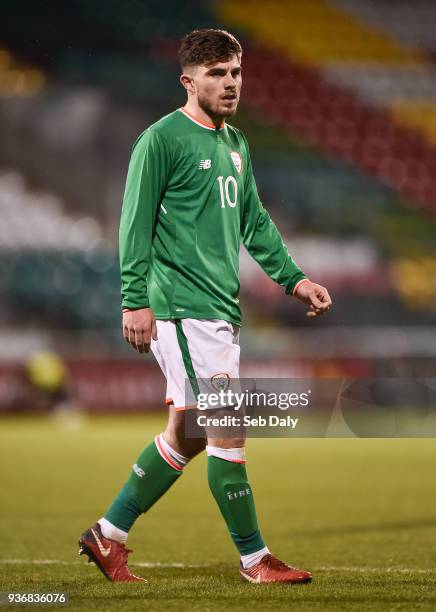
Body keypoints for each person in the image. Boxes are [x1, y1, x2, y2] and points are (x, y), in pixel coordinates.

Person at [79, 28, 331, 584]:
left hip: (217, 310)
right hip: (183, 311)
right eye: (218, 73)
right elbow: (133, 225)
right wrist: (134, 301)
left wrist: (294, 279)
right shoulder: (161, 140)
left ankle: (108, 534)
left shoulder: (236, 144)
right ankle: (254, 560)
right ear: (188, 80)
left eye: (236, 72)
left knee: (188, 433)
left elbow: (254, 222)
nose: (231, 83)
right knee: (227, 429)